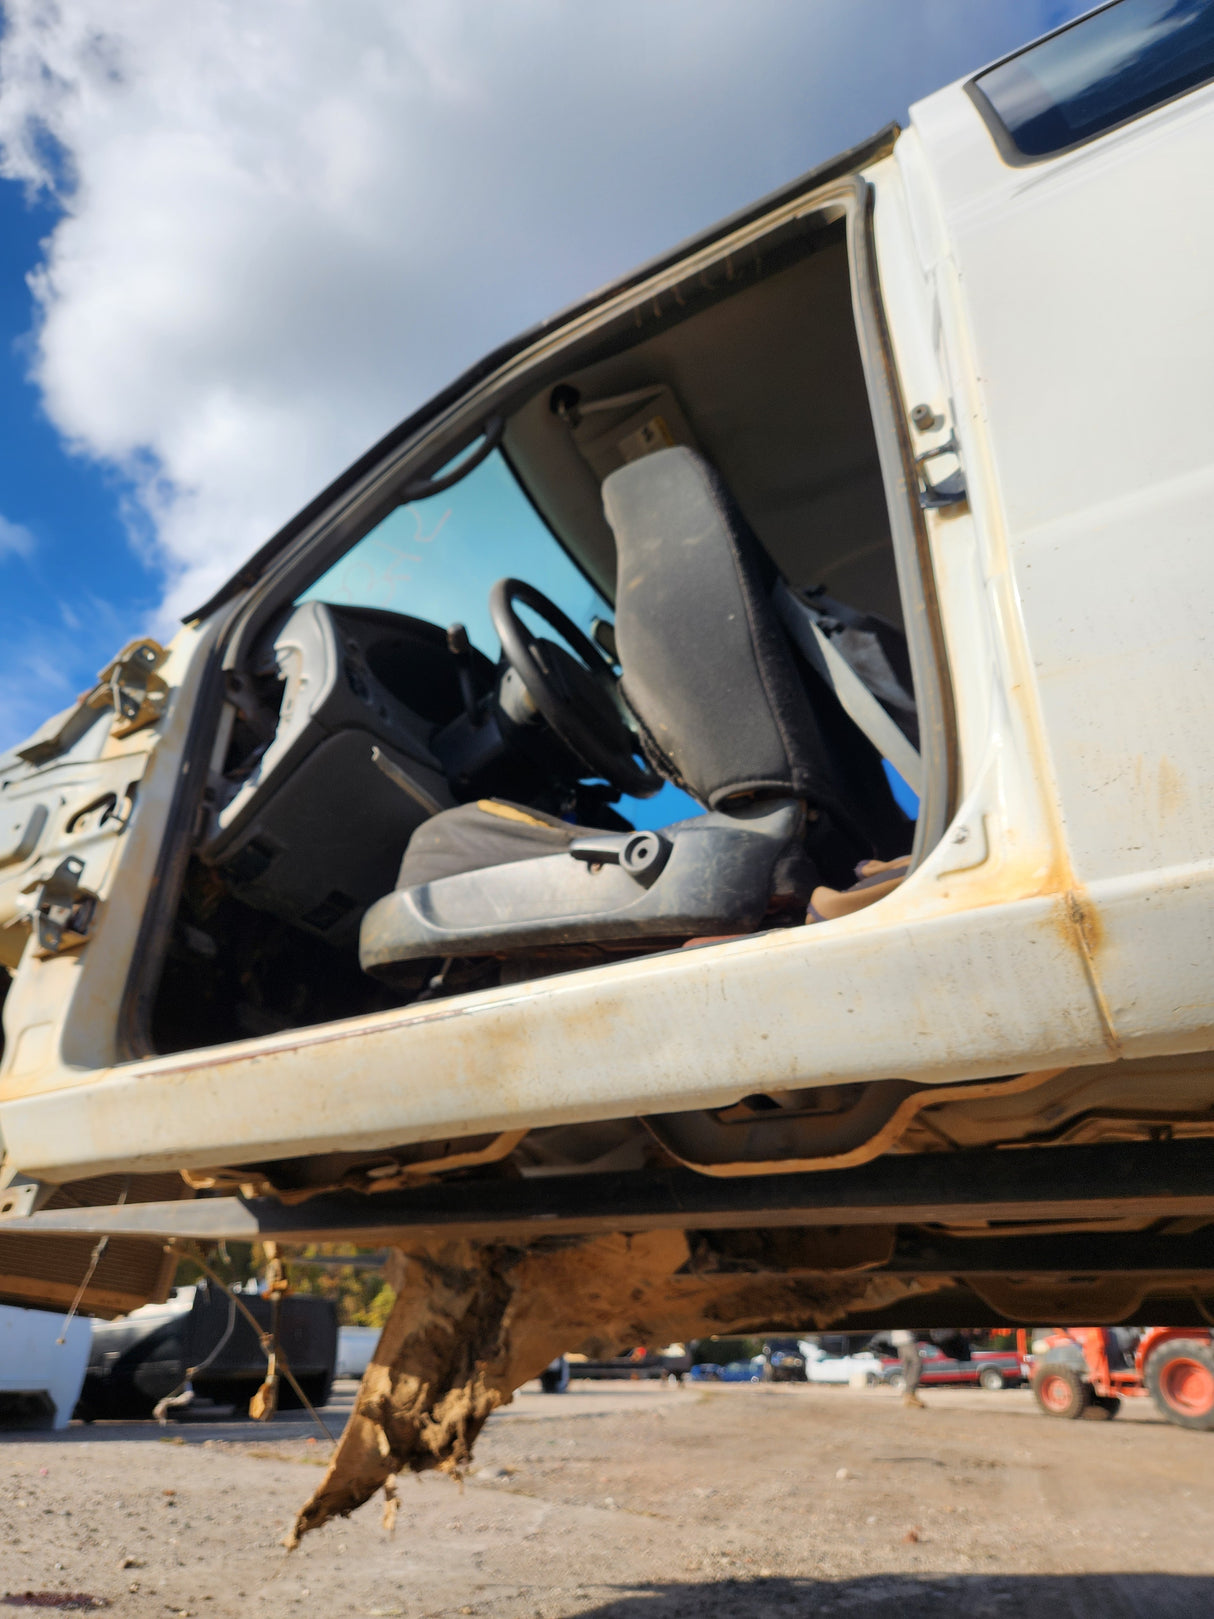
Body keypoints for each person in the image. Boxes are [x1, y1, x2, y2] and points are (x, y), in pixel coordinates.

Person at [891, 1329, 925, 1408]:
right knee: (917, 1363)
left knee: (907, 1366)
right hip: (907, 1339)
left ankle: (909, 1395)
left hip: (899, 1340)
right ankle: (910, 1393)